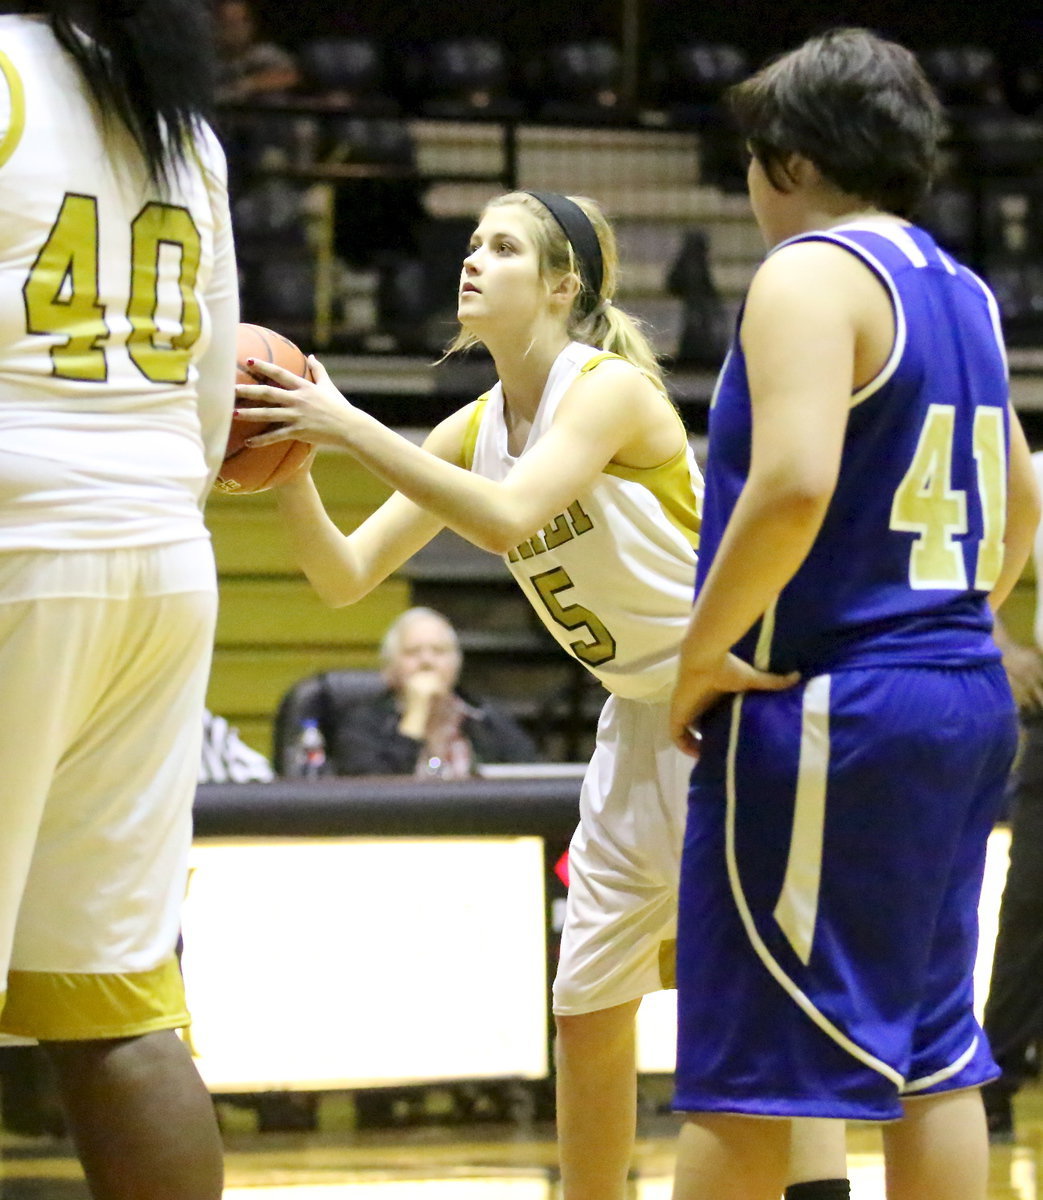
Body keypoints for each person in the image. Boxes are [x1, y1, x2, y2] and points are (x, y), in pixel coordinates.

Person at [235, 189, 845, 1200]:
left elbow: (508, 517)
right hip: (638, 716)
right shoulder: (473, 426)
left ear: (562, 286)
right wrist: (289, 460)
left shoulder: (606, 390)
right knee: (586, 1007)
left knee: (759, 1002)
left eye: (504, 247)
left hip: (740, 697)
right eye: (472, 242)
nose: (472, 258)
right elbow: (343, 576)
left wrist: (343, 424)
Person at [666, 27, 1040, 1200]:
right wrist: (950, 625)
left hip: (836, 704)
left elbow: (791, 484)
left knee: (746, 1066)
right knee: (930, 1052)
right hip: (955, 697)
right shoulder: (962, 289)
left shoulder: (808, 274)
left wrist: (701, 653)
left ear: (788, 158)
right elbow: (1022, 497)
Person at [0, 2, 238, 1197]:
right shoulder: (183, 123)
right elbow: (212, 396)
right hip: (159, 557)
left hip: (17, 540)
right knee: (116, 1006)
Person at [980, 450, 1043, 1141]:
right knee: (1027, 899)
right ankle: (993, 1082)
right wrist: (1000, 643)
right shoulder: (1033, 473)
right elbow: (964, 558)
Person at [301, 606, 538, 777]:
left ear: (456, 665)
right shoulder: (361, 725)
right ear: (389, 669)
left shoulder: (483, 717)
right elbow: (374, 800)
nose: (427, 661)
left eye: (439, 651)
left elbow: (532, 778)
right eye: (413, 652)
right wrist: (415, 717)